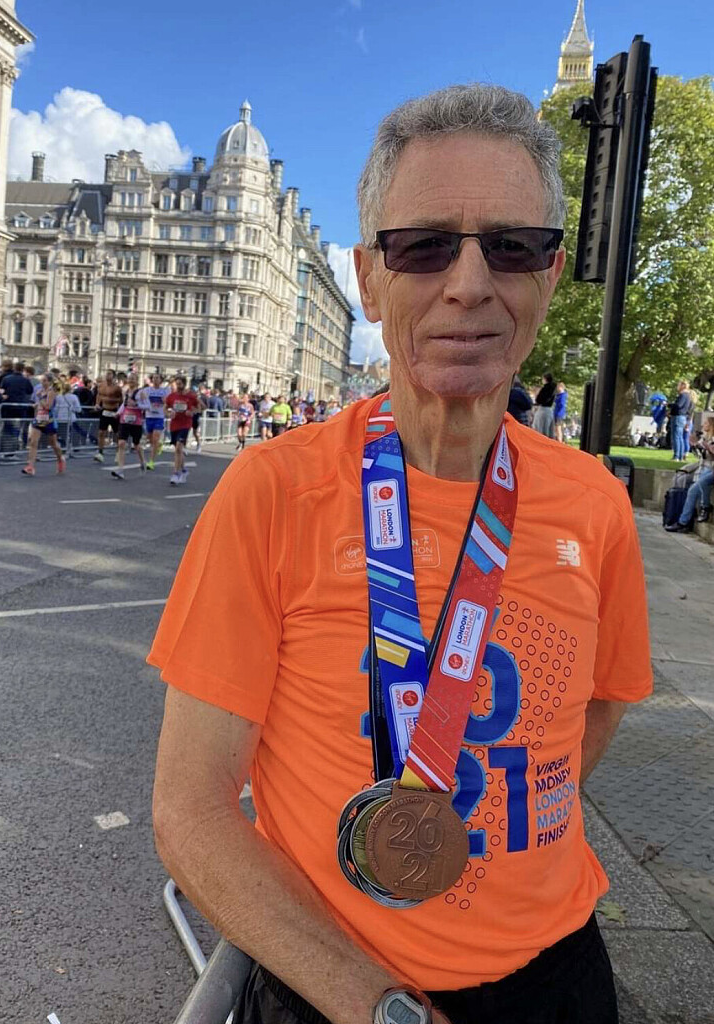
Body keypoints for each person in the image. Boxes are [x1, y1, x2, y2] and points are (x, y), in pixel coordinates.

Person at [150, 85, 653, 1024]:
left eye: (511, 246)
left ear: (549, 276)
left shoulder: (595, 503)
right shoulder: (272, 489)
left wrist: (476, 807)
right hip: (334, 987)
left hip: (557, 980)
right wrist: (379, 1005)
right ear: (369, 280)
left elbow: (598, 706)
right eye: (423, 246)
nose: (468, 283)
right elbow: (193, 808)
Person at [665, 417, 714, 532]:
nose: (703, 425)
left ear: (711, 426)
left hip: (709, 468)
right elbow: (701, 456)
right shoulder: (705, 438)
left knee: (693, 490)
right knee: (682, 481)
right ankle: (687, 517)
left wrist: (708, 448)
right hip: (701, 468)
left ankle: (683, 522)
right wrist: (694, 445)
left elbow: (711, 456)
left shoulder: (711, 440)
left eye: (706, 423)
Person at [21, 375, 66, 476]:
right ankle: (30, 467)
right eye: (42, 381)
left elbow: (48, 407)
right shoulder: (41, 391)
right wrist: (36, 406)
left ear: (50, 382)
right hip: (39, 419)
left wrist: (40, 397)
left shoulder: (51, 391)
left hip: (49, 420)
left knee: (53, 443)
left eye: (45, 381)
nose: (43, 383)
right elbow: (40, 405)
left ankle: (60, 459)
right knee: (33, 442)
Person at [111, 373, 147, 480]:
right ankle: (120, 470)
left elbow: (148, 406)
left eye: (133, 379)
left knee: (136, 445)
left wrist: (137, 405)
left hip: (136, 421)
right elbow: (124, 404)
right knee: (121, 443)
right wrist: (118, 413)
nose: (131, 381)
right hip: (125, 419)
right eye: (130, 379)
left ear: (137, 381)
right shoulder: (126, 391)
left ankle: (142, 462)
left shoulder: (141, 393)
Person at [165, 375, 198, 486]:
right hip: (174, 425)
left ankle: (175, 474)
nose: (178, 386)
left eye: (180, 384)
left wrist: (192, 412)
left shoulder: (191, 396)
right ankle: (184, 470)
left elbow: (201, 407)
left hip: (185, 424)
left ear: (184, 384)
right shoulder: (171, 396)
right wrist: (168, 413)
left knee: (179, 447)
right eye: (176, 384)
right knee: (178, 450)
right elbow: (165, 408)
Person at [143, 373, 171, 470]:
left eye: (157, 378)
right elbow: (142, 400)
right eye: (154, 378)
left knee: (155, 439)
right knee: (149, 438)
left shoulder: (164, 391)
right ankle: (159, 445)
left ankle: (151, 462)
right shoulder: (147, 390)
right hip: (149, 416)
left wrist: (165, 401)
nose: (155, 380)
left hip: (159, 417)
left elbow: (169, 403)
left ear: (161, 380)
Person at [94, 369, 123, 462]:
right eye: (106, 374)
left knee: (117, 434)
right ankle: (100, 453)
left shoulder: (117, 388)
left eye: (109, 374)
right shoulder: (101, 385)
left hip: (114, 411)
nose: (107, 375)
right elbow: (99, 395)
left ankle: (118, 453)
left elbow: (121, 400)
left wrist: (112, 401)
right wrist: (97, 404)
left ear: (113, 376)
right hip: (104, 411)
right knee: (101, 432)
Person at [669, 381, 692, 461]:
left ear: (683, 386)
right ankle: (680, 456)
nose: (677, 387)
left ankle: (676, 456)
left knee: (676, 437)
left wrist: (669, 405)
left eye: (678, 385)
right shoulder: (688, 396)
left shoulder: (683, 395)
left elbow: (679, 405)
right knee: (680, 437)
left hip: (678, 417)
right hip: (682, 417)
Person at [532, 372, 556, 437]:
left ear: (545, 379)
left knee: (540, 430)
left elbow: (539, 399)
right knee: (549, 431)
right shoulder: (553, 388)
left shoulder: (546, 388)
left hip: (543, 410)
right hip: (549, 410)